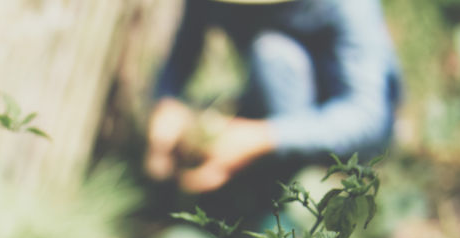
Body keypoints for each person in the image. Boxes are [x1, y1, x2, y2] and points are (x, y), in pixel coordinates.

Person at [145, 0, 402, 194]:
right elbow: (184, 49)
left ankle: (289, 193)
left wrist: (258, 138)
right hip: (271, 106)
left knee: (273, 55)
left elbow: (369, 118)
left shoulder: (349, 7)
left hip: (345, 142)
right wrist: (168, 103)